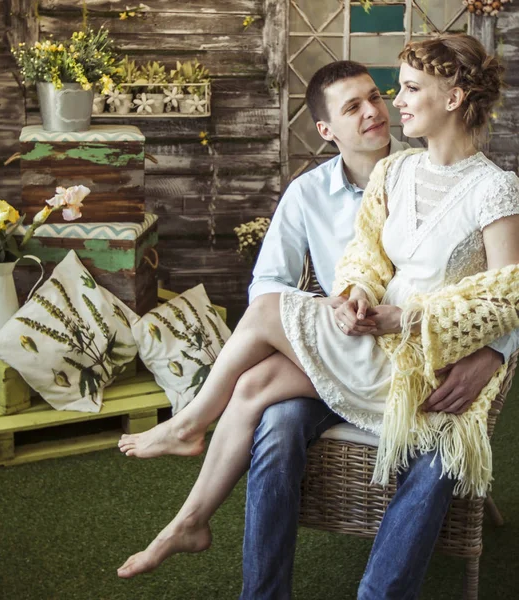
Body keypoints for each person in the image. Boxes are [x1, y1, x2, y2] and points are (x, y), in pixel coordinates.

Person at [118, 35, 519, 598]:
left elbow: (510, 293)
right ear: (327, 129)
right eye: (359, 104)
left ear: (452, 98)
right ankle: (205, 528)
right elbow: (366, 256)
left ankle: (189, 426)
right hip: (362, 337)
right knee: (258, 377)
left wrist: (416, 323)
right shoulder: (391, 174)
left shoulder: (495, 188)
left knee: (262, 320)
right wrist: (352, 291)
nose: (387, 105)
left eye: (400, 91)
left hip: (416, 356)